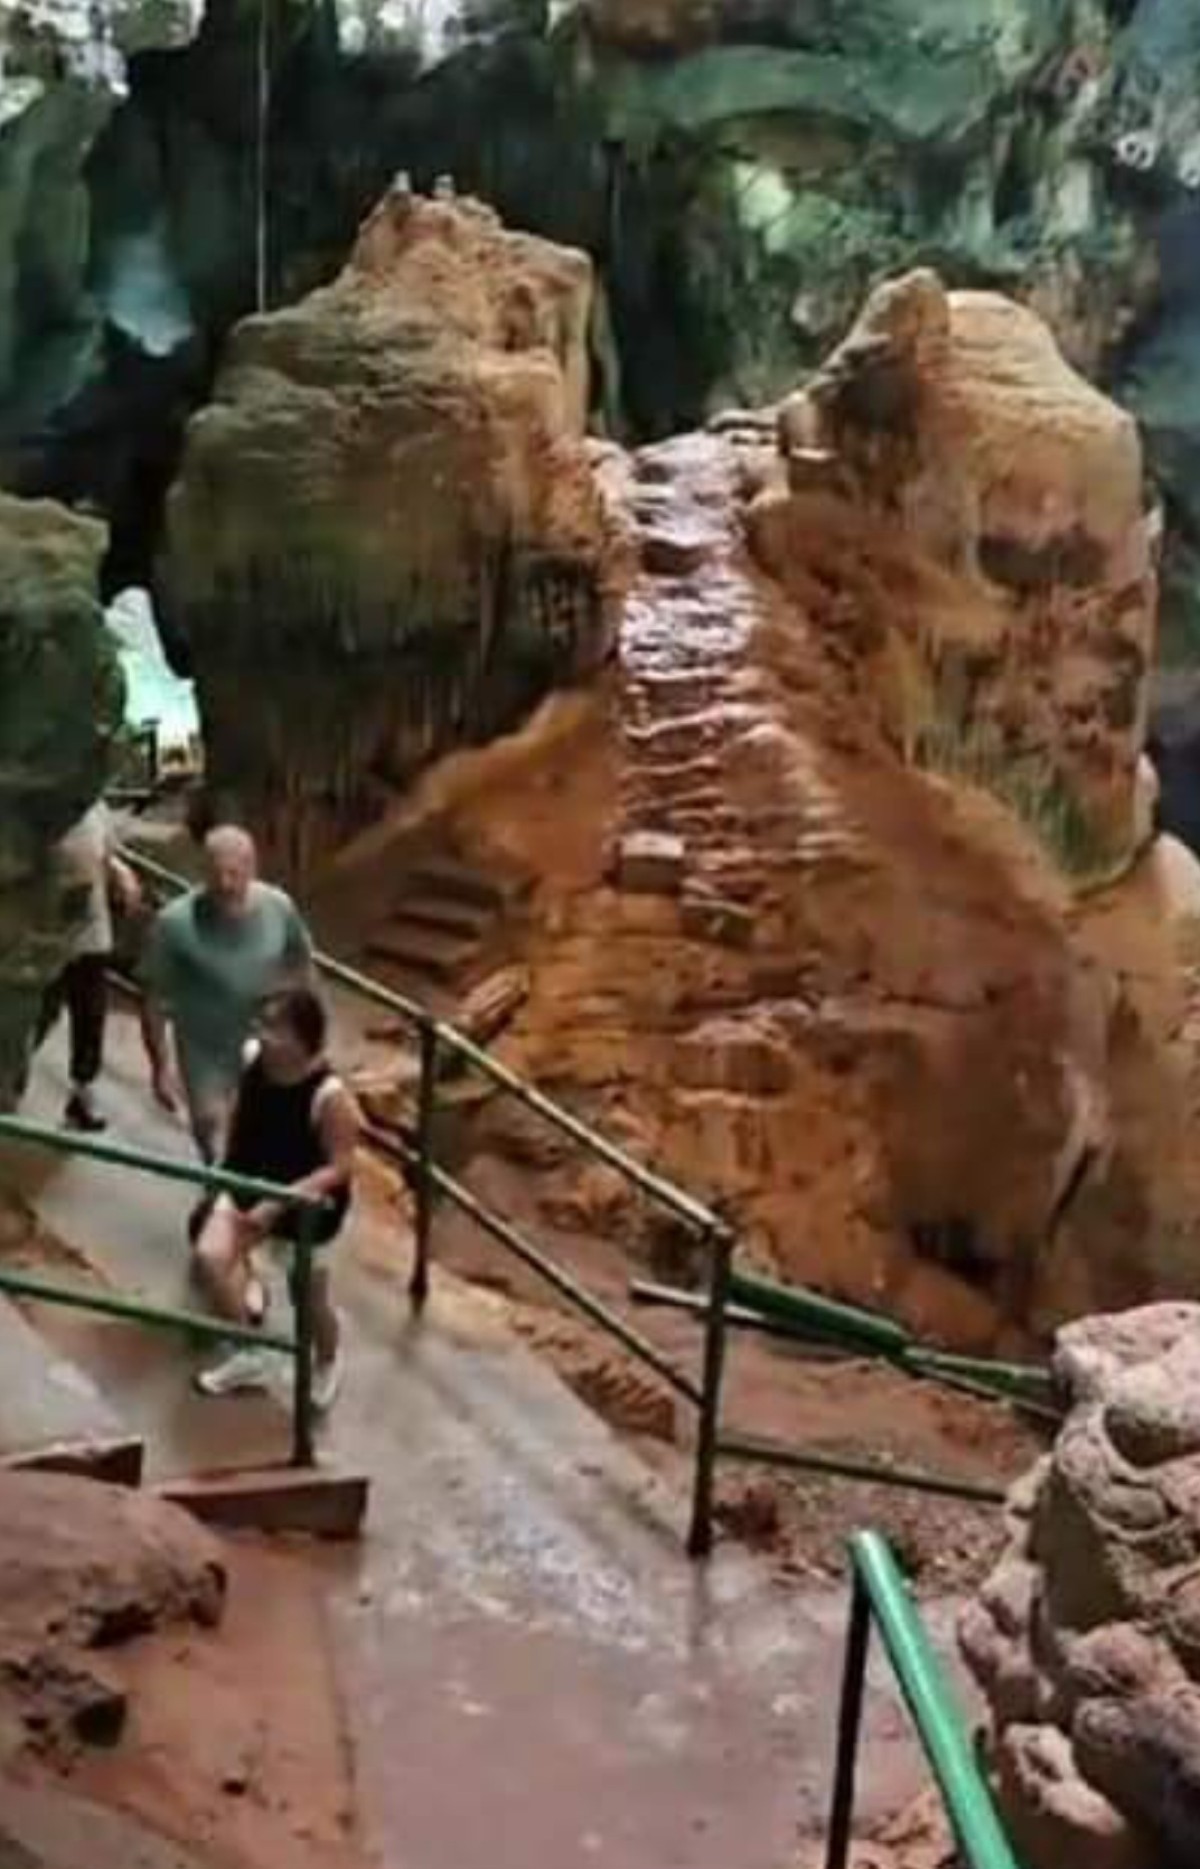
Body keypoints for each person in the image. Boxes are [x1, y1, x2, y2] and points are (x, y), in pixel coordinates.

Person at [191, 988, 358, 1406]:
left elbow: (340, 1166)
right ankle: (250, 1350)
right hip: (249, 1183)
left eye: (275, 1029)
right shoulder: (252, 1060)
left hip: (306, 1207)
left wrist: (282, 1200)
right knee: (210, 1257)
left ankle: (327, 1359)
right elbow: (240, 1111)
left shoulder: (329, 1095)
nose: (263, 1035)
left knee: (308, 1298)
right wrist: (224, 1162)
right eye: (263, 1024)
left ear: (302, 1039)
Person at [140, 825, 313, 1164]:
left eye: (234, 873)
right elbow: (153, 998)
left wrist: (308, 1034)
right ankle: (217, 1177)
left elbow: (302, 963)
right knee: (210, 1127)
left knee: (271, 1128)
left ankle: (247, 1184)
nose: (225, 884)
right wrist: (160, 1066)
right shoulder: (174, 924)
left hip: (265, 1039)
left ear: (252, 868)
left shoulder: (278, 907)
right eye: (215, 873)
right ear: (202, 871)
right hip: (204, 1048)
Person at [37, 800, 141, 1132]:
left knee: (90, 1015)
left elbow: (106, 851)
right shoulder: (36, 804)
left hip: (91, 933)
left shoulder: (94, 807)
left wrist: (120, 872)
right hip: (44, 934)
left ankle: (83, 1094)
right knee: (39, 1013)